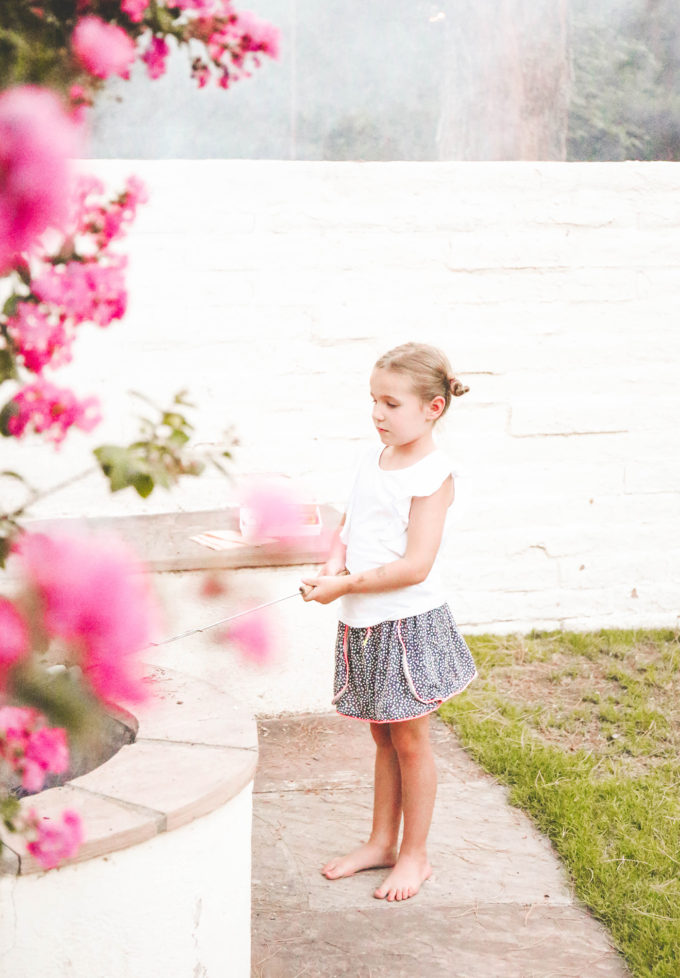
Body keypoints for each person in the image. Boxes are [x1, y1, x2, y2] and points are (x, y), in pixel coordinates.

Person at [301, 341, 477, 903]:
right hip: (365, 619)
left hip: (406, 624)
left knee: (411, 740)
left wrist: (345, 583)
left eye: (392, 404)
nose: (378, 414)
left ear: (433, 407)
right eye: (373, 401)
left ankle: (415, 855)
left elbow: (414, 564)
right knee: (383, 736)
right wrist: (331, 565)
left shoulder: (433, 474)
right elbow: (350, 525)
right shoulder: (369, 458)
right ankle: (381, 842)